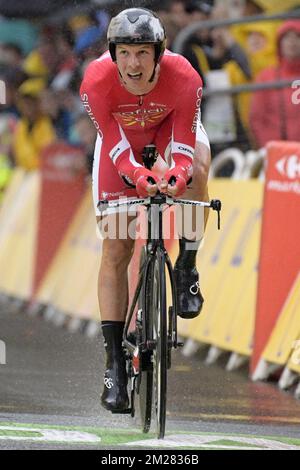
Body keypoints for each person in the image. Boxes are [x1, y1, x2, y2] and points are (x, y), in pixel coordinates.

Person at [80, 8, 211, 413]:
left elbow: (186, 145)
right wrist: (135, 173)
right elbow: (116, 148)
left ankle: (187, 264)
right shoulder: (96, 81)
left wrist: (179, 172)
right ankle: (114, 363)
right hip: (122, 141)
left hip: (169, 128)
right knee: (116, 249)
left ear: (158, 53)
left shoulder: (185, 76)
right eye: (125, 53)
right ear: (113, 54)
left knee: (199, 175)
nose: (133, 64)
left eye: (142, 53)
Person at [250, 20, 300, 148]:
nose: (292, 42)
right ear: (279, 44)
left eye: (297, 37)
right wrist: (271, 147)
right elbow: (256, 118)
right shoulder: (266, 77)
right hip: (277, 151)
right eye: (287, 38)